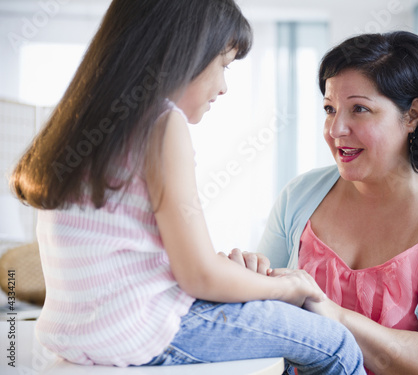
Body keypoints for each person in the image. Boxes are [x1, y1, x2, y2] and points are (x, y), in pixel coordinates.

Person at [10, 0, 367, 373]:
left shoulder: (84, 123)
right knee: (336, 343)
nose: (225, 86)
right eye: (223, 66)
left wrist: (237, 276)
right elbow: (198, 277)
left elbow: (136, 258)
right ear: (183, 52)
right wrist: (289, 287)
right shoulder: (162, 124)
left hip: (78, 335)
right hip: (140, 332)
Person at [230, 31, 418, 375]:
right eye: (330, 109)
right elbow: (265, 317)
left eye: (359, 109)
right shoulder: (299, 196)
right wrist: (247, 284)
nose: (336, 128)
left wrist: (331, 314)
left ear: (413, 115)